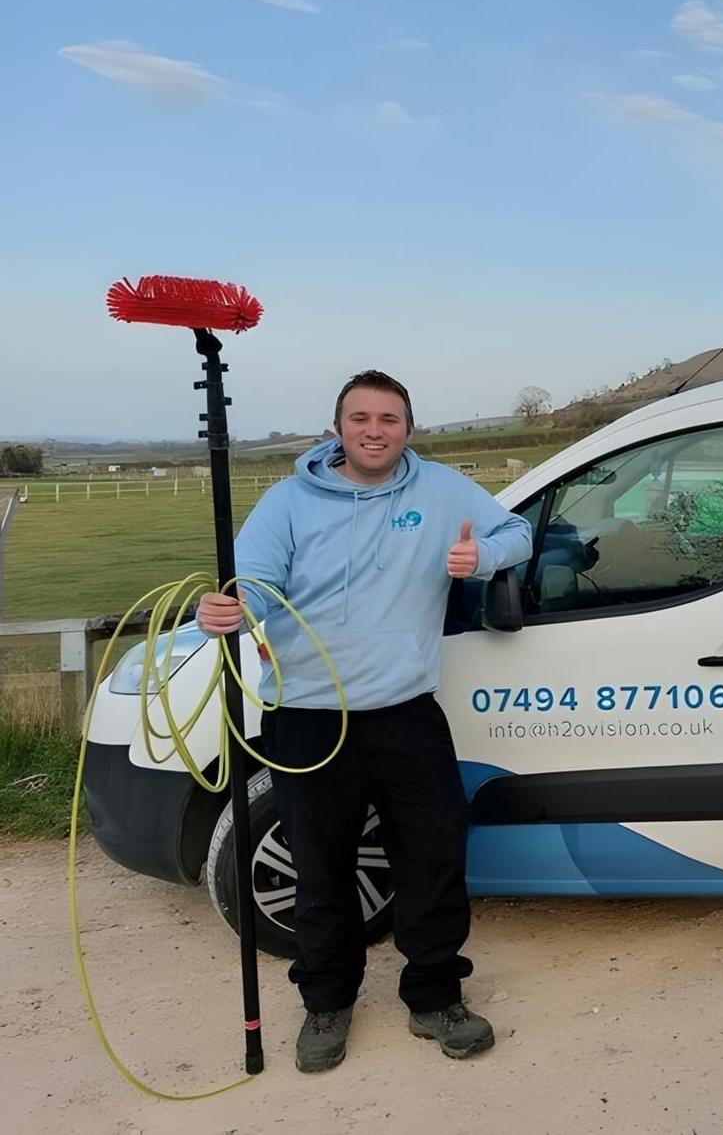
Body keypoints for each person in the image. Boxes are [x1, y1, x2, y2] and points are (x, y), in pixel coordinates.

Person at [196, 369, 533, 1073]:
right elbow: (252, 583)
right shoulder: (288, 502)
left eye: (389, 418)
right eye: (361, 418)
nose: (375, 430)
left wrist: (484, 556)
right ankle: (326, 1003)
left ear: (407, 428)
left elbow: (518, 531)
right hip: (308, 718)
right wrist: (228, 609)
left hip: (406, 714)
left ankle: (435, 997)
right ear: (338, 428)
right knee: (321, 869)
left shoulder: (440, 490)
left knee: (433, 858)